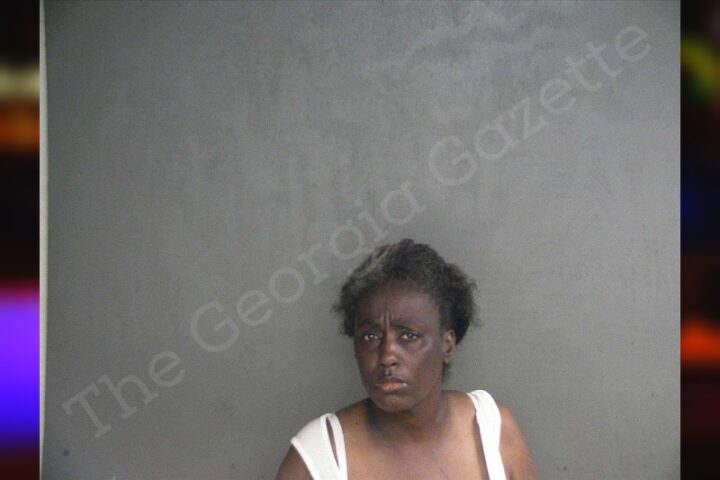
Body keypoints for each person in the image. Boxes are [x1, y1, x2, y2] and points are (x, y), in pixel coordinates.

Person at [276, 239, 537, 479]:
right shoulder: (319, 457)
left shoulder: (495, 433)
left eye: (409, 336)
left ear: (447, 344)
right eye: (370, 337)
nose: (387, 356)